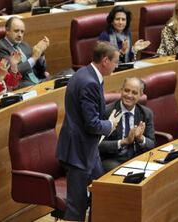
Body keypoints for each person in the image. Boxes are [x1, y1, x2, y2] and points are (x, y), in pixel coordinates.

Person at [57, 41, 122, 221]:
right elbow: (92, 124)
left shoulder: (86, 74)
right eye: (116, 62)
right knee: (76, 208)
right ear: (105, 60)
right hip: (78, 152)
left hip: (88, 150)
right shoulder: (89, 82)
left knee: (101, 194)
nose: (117, 66)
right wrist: (110, 125)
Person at [99, 77, 155, 172]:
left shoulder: (146, 113)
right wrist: (124, 141)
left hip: (136, 158)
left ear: (141, 95)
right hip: (112, 159)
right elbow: (98, 145)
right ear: (121, 91)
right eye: (126, 90)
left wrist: (140, 138)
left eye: (134, 92)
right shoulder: (107, 112)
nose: (129, 95)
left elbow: (152, 144)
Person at [0, 17, 49, 89]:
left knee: (64, 78)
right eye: (16, 31)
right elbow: (12, 73)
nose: (20, 35)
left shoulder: (24, 45)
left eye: (22, 32)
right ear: (7, 31)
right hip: (24, 86)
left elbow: (40, 71)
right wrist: (34, 58)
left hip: (40, 81)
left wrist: (41, 53)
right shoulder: (0, 48)